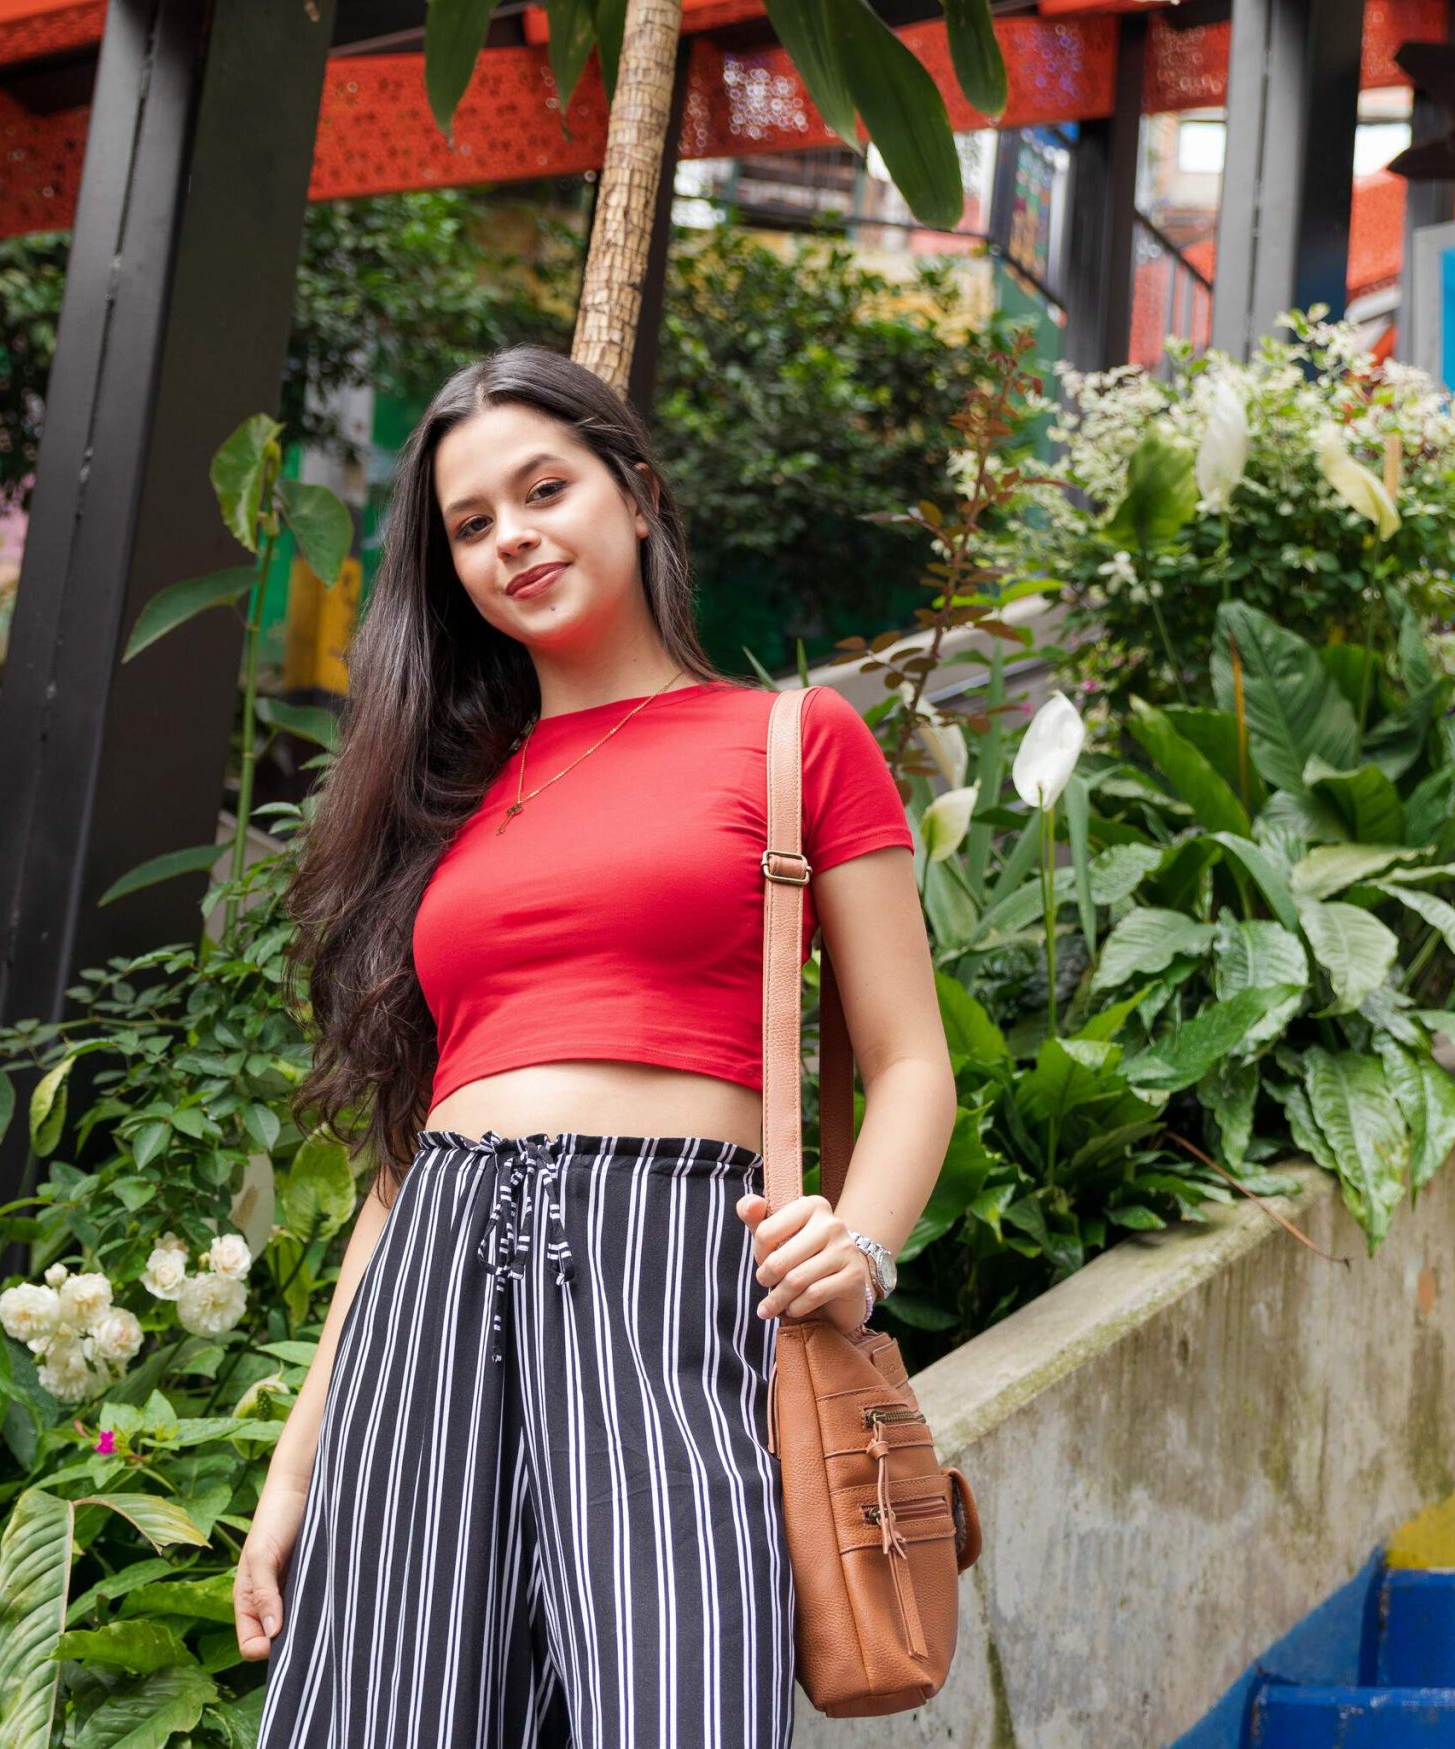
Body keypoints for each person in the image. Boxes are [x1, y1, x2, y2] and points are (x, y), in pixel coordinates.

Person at [235, 343, 955, 1748]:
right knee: (397, 1715)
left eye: (543, 487)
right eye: (469, 524)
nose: (513, 536)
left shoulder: (792, 741)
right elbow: (400, 1167)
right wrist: (293, 1466)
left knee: (674, 1698)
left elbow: (913, 1059)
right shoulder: (453, 805)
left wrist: (859, 1247)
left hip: (674, 1265)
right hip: (436, 1270)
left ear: (634, 491)